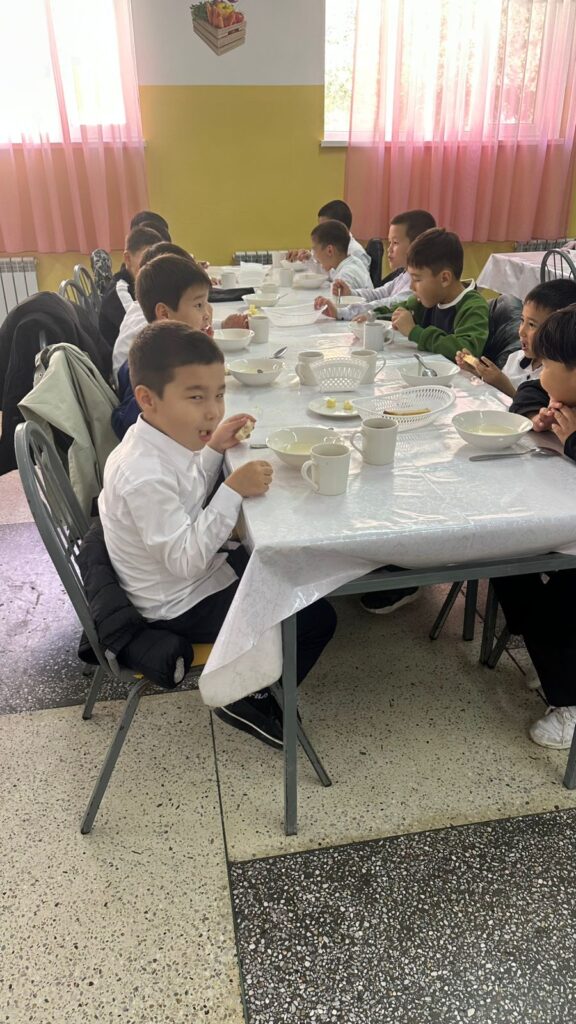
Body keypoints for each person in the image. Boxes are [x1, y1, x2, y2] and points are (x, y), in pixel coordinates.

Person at [99, 322, 337, 748]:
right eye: (196, 397)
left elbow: (185, 496)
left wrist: (213, 451)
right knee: (317, 618)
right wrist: (232, 490)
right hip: (175, 603)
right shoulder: (142, 474)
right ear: (147, 399)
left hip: (185, 577)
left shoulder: (155, 440)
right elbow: (185, 560)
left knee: (289, 572)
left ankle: (257, 678)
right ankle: (247, 694)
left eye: (219, 394)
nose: (212, 411)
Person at [491, 304, 576, 749]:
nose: (540, 373)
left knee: (553, 611)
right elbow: (524, 395)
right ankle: (553, 659)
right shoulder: (559, 395)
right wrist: (538, 418)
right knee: (502, 560)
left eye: (549, 365)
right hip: (558, 525)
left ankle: (569, 701)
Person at [112, 252, 249, 438]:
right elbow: (128, 422)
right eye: (198, 305)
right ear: (164, 314)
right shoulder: (153, 360)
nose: (207, 313)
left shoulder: (170, 347)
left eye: (206, 302)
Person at [370, 228, 489, 362]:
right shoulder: (427, 300)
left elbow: (466, 352)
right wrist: (372, 315)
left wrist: (414, 332)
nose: (411, 287)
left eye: (417, 279)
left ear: (444, 278)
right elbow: (397, 311)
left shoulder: (473, 307)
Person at [455, 280, 576, 399]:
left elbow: (535, 409)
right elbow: (494, 397)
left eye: (532, 325)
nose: (521, 331)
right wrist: (478, 373)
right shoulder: (515, 358)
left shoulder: (556, 378)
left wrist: (506, 387)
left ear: (559, 331)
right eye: (522, 320)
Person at [317, 209, 436, 321]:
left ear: (416, 245)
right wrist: (352, 293)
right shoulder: (405, 275)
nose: (389, 249)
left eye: (395, 243)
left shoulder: (419, 284)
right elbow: (380, 293)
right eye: (389, 242)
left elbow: (387, 304)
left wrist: (342, 313)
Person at [98, 225, 163, 348]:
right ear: (128, 258)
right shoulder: (119, 292)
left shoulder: (143, 283)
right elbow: (146, 332)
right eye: (146, 260)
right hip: (128, 357)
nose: (153, 267)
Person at [287, 199, 370, 269]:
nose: (320, 232)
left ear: (339, 228)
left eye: (324, 229)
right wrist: (308, 259)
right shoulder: (329, 245)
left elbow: (345, 280)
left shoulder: (357, 254)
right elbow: (326, 272)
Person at [309, 220, 373, 292]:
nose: (314, 255)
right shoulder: (354, 261)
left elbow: (340, 299)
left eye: (315, 250)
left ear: (329, 251)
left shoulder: (344, 277)